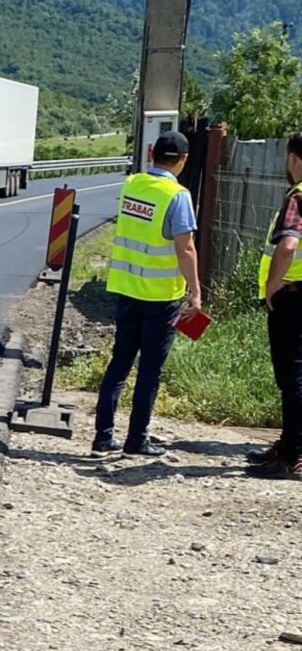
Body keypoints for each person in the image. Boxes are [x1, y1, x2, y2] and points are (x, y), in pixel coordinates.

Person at [93, 131, 202, 456]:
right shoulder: (177, 195)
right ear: (182, 161)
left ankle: (102, 438)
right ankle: (136, 440)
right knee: (149, 370)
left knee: (120, 363)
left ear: (152, 153)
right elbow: (186, 248)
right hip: (160, 296)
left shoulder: (132, 184)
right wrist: (195, 292)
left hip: (127, 289)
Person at [247, 134, 302, 480]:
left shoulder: (298, 197)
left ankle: (293, 456)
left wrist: (273, 284)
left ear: (294, 158)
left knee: (292, 376)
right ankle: (287, 445)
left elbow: (289, 244)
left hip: (293, 297)